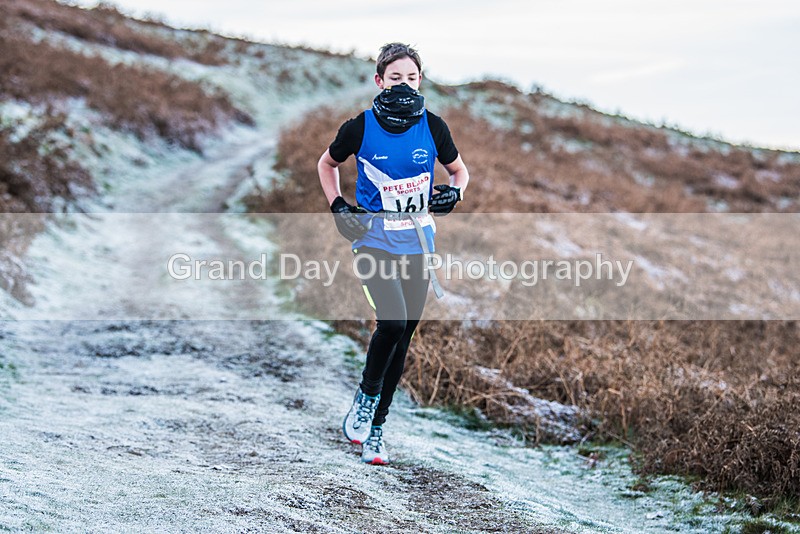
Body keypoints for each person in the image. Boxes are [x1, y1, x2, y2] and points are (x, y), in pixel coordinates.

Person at [318, 42, 469, 465]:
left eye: (412, 77)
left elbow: (460, 171)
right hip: (372, 241)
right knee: (392, 321)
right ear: (379, 81)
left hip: (419, 243)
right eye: (396, 77)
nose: (404, 84)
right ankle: (366, 396)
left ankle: (378, 430)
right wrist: (337, 205)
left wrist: (454, 193)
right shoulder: (360, 127)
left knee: (403, 337)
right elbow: (325, 165)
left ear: (421, 81)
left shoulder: (434, 127)